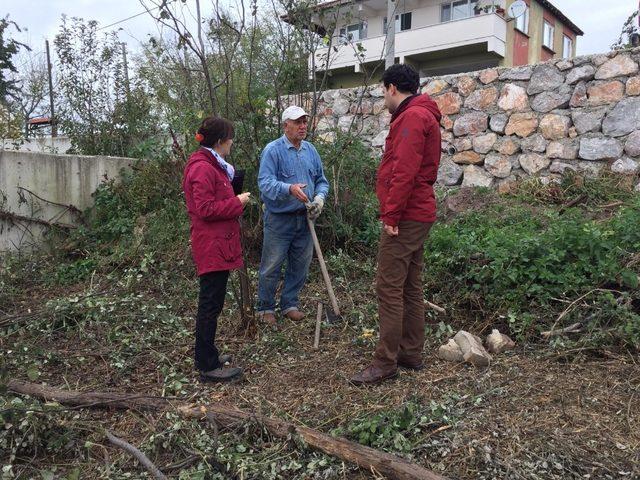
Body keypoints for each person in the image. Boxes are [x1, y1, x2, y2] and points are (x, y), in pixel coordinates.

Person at [350, 64, 442, 386]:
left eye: (382, 91)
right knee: (410, 285)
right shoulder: (420, 114)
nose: (383, 98)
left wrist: (390, 216)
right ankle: (410, 353)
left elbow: (403, 171)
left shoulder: (412, 118)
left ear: (391, 88)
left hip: (407, 215)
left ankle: (384, 362)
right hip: (418, 212)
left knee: (388, 287)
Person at [182, 116, 251, 383]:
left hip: (218, 244)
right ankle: (207, 365)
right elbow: (206, 209)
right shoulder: (202, 168)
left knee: (214, 302)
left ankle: (207, 353)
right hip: (211, 246)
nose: (232, 142)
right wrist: (237, 202)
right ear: (220, 141)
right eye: (230, 137)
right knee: (210, 304)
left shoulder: (213, 165)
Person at [257, 106, 330, 327]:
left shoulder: (310, 150)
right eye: (297, 122)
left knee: (300, 265)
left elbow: (321, 181)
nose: (302, 126)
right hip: (279, 220)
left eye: (305, 122)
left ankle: (289, 304)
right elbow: (265, 184)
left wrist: (319, 199)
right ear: (285, 125)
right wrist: (288, 189)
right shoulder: (273, 150)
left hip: (305, 218)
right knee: (271, 266)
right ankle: (266, 308)